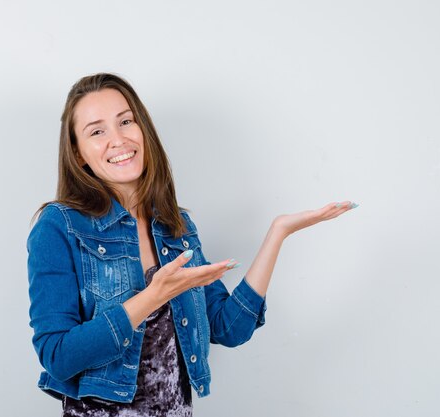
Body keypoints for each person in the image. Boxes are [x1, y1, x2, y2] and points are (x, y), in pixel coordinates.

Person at [26, 72, 357, 417]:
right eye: (97, 131)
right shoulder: (58, 227)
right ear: (78, 154)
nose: (118, 139)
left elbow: (229, 329)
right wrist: (154, 296)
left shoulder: (176, 226)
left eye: (126, 121)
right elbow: (57, 356)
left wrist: (278, 233)